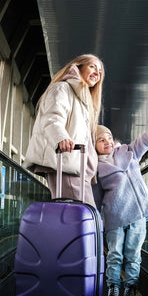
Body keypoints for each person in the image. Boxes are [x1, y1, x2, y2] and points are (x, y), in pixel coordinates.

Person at [92, 117, 148, 296]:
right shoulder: (95, 168)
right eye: (101, 140)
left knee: (133, 254)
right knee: (114, 255)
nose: (107, 143)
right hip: (115, 217)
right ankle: (113, 289)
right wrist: (95, 223)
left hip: (138, 214)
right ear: (94, 145)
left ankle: (129, 290)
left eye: (109, 138)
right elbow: (96, 199)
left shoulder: (128, 152)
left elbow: (145, 140)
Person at [24, 54, 105, 207]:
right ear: (78, 67)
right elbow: (52, 118)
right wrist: (61, 138)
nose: (97, 73)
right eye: (92, 66)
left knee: (80, 218)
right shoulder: (62, 88)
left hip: (77, 167)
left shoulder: (82, 100)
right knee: (84, 216)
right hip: (66, 163)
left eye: (100, 71)